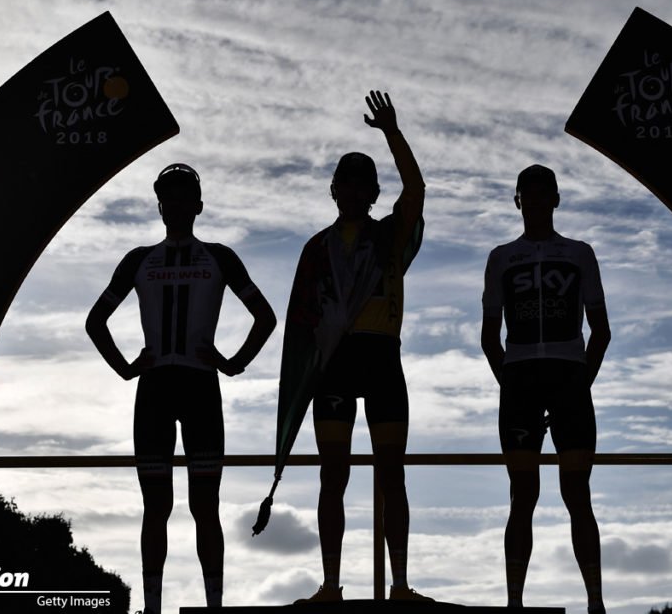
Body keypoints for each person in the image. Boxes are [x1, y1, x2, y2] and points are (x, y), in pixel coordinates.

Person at [85, 163, 276, 613]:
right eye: (167, 196)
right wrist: (127, 369)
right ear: (159, 206)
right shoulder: (139, 259)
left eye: (182, 195)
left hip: (197, 385)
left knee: (203, 504)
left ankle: (214, 605)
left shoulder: (220, 256)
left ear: (198, 205)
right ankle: (153, 605)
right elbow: (95, 322)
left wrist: (232, 365)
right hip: (156, 387)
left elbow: (265, 317)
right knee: (157, 505)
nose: (174, 204)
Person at [288, 91, 430, 603]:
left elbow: (415, 188)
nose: (350, 189)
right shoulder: (315, 247)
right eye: (343, 180)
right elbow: (300, 328)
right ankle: (330, 584)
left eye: (360, 182)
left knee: (393, 474)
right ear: (333, 189)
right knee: (333, 476)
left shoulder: (392, 237)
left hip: (382, 358)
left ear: (372, 191)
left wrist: (392, 131)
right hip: (336, 366)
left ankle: (400, 585)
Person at [480, 165, 611, 613]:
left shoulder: (580, 254)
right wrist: (511, 385)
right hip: (520, 381)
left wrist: (579, 383)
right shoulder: (500, 257)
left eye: (542, 195)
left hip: (568, 379)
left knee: (578, 493)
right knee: (523, 494)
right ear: (517, 201)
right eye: (526, 196)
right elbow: (487, 336)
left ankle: (596, 601)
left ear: (556, 199)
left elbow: (602, 331)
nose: (534, 203)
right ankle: (514, 602)